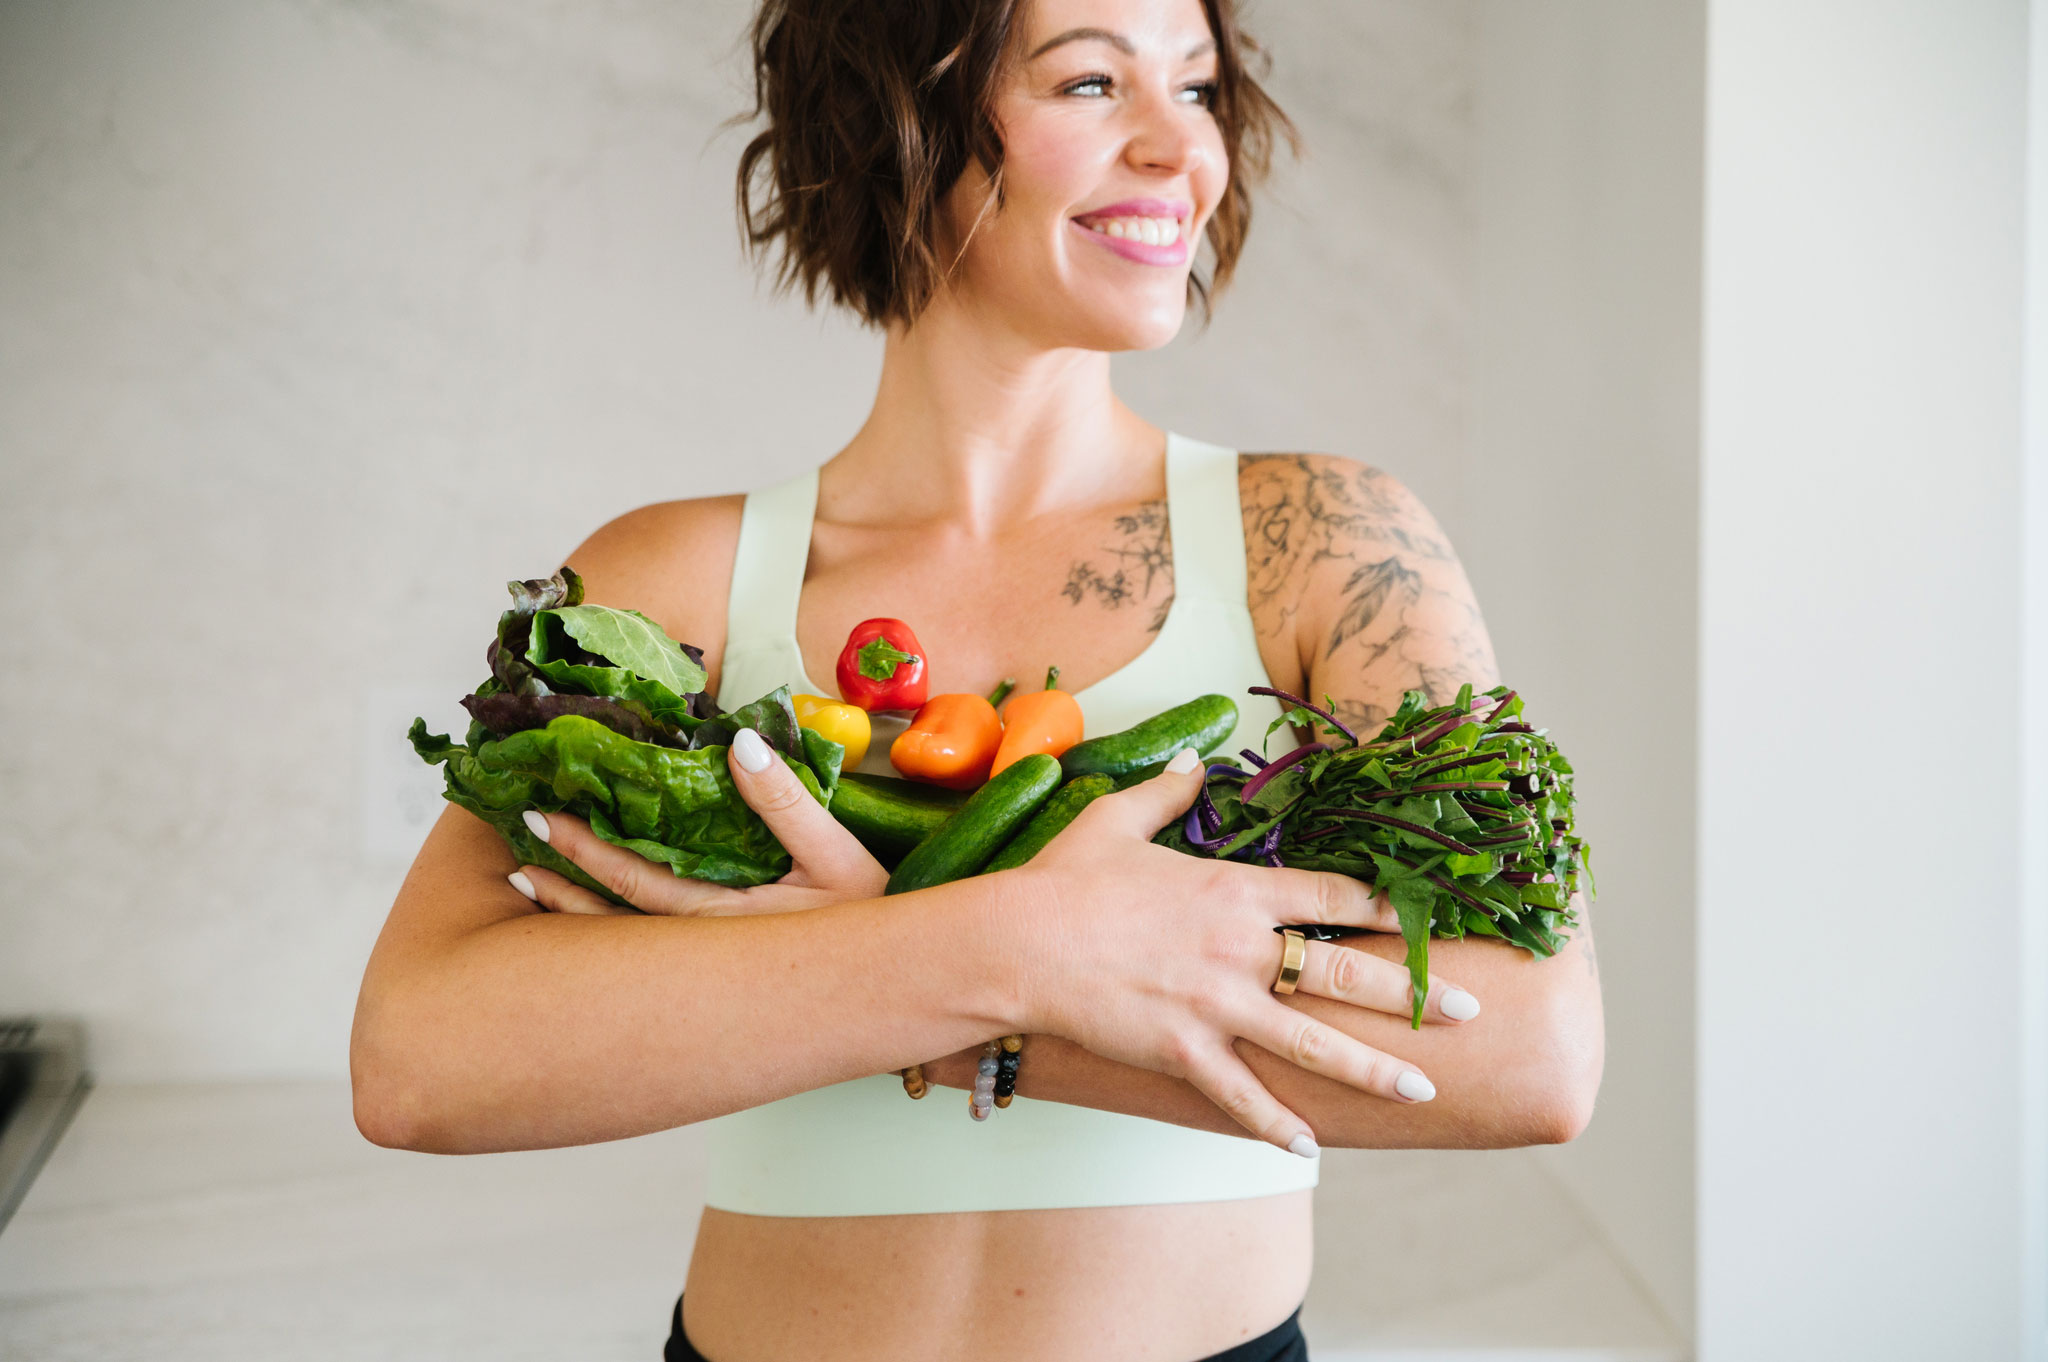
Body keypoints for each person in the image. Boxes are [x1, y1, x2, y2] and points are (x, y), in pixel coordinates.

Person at [349, 0, 1606, 1357]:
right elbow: (420, 1056)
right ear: (898, 121)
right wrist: (1023, 950)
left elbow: (1531, 1048)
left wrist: (942, 997)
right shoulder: (677, 574)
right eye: (1089, 83)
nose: (1177, 149)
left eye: (1196, 88)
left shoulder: (1319, 543)